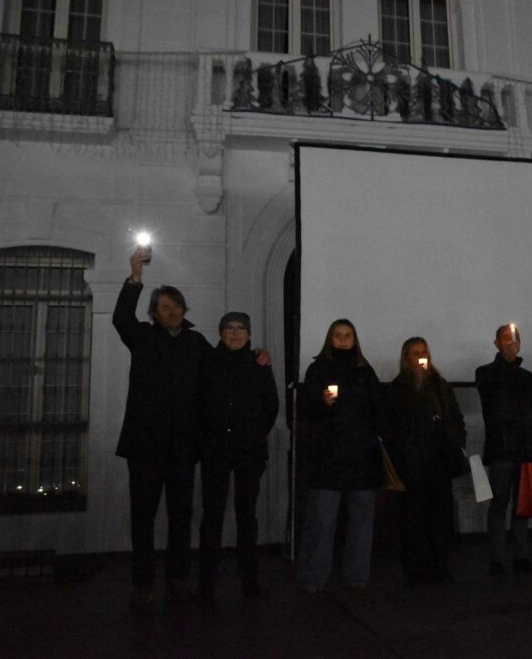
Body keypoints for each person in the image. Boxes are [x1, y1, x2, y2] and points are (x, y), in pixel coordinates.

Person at [112, 249, 212, 607]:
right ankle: (142, 584)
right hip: (144, 445)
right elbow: (121, 318)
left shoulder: (197, 343)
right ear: (154, 313)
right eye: (165, 308)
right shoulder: (141, 336)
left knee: (181, 516)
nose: (172, 313)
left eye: (177, 307)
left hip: (184, 446)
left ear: (184, 311)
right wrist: (135, 277)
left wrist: (258, 355)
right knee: (143, 516)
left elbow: (220, 373)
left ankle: (177, 579)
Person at [297, 319, 385, 593]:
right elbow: (307, 409)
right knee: (322, 520)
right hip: (328, 455)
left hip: (362, 455)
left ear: (355, 340)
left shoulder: (365, 370)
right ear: (329, 338)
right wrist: (322, 403)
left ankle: (357, 575)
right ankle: (314, 576)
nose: (343, 340)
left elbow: (378, 407)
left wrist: (377, 436)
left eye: (347, 336)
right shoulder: (317, 369)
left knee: (361, 520)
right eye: (338, 335)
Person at [198, 312, 279, 601]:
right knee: (212, 517)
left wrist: (252, 433)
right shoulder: (208, 362)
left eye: (240, 328)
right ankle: (206, 584)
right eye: (229, 328)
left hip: (248, 452)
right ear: (221, 333)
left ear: (249, 334)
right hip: (216, 450)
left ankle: (249, 581)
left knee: (247, 516)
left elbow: (271, 406)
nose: (234, 333)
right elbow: (199, 404)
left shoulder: (259, 364)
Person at [385, 337, 467, 584]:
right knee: (413, 519)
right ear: (406, 358)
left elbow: (455, 418)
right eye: (414, 353)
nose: (421, 357)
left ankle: (440, 566)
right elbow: (393, 428)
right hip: (412, 464)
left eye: (424, 352)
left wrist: (457, 440)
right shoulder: (398, 388)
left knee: (440, 518)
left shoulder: (440, 386)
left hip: (439, 463)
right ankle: (416, 569)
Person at [475, 324, 532, 575]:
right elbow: (492, 395)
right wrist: (509, 366)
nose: (512, 342)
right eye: (506, 339)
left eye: (516, 339)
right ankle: (497, 558)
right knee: (499, 504)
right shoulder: (486, 373)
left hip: (525, 448)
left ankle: (521, 555)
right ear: (496, 343)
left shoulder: (527, 377)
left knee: (523, 505)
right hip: (501, 449)